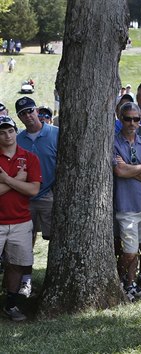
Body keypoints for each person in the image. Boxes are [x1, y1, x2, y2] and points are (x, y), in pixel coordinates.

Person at [112, 102, 141, 301]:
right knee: (129, 251)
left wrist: (131, 170)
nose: (132, 123)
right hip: (126, 205)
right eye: (127, 118)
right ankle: (123, 282)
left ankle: (134, 284)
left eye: (136, 119)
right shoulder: (113, 144)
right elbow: (119, 171)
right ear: (120, 119)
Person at [15, 97, 59, 298]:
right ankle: (26, 281)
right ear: (19, 117)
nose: (28, 116)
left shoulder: (56, 134)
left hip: (49, 195)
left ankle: (55, 278)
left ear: (37, 110)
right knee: (25, 242)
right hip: (24, 199)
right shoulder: (17, 139)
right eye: (23, 113)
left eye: (30, 110)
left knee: (55, 239)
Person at [0, 116, 41, 321]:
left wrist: (6, 180)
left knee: (16, 264)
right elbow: (24, 185)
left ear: (16, 132)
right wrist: (16, 180)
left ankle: (11, 304)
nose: (7, 136)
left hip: (21, 221)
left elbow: (33, 189)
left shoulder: (30, 158)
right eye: (1, 132)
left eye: (10, 131)